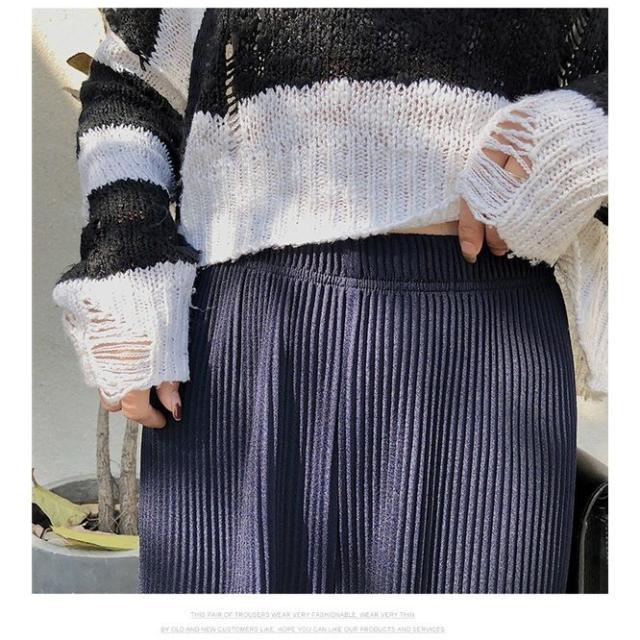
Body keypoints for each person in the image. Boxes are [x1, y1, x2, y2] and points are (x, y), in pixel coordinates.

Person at [52, 8, 608, 593]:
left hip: (487, 346)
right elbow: (134, 81)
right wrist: (129, 253)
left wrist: (594, 126)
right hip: (250, 346)